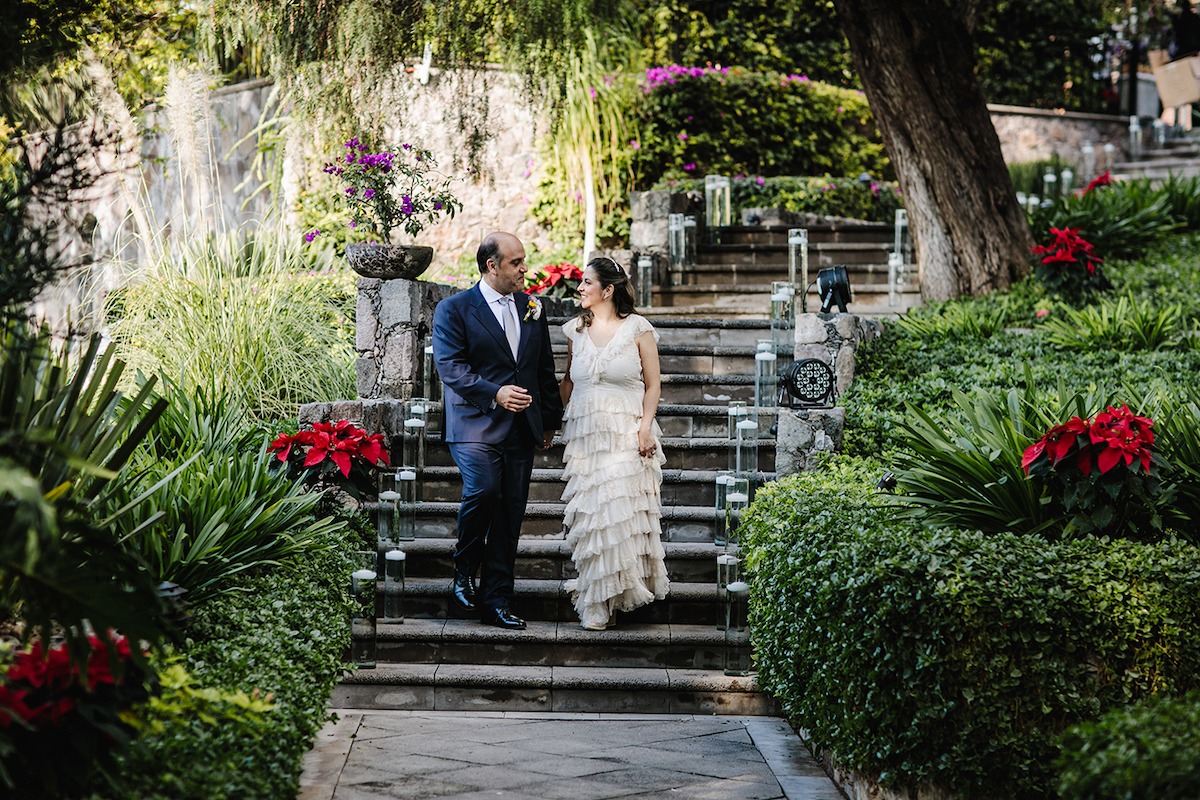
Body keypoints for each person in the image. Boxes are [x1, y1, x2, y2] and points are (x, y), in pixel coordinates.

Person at [432, 232, 563, 630]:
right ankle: (463, 566)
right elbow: (451, 367)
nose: (525, 268)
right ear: (492, 266)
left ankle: (497, 601)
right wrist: (495, 393)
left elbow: (543, 369)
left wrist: (549, 422)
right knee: (484, 489)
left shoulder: (533, 308)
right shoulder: (454, 309)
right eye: (516, 262)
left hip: (521, 428)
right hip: (474, 423)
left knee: (510, 513)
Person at [558, 256, 669, 631]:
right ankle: (595, 599)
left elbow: (653, 385)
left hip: (626, 431)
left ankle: (616, 595)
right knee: (592, 517)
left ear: (607, 290)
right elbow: (568, 382)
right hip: (585, 436)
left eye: (587, 282)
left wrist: (645, 428)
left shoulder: (639, 328)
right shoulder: (575, 329)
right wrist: (547, 423)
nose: (581, 288)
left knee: (617, 514)